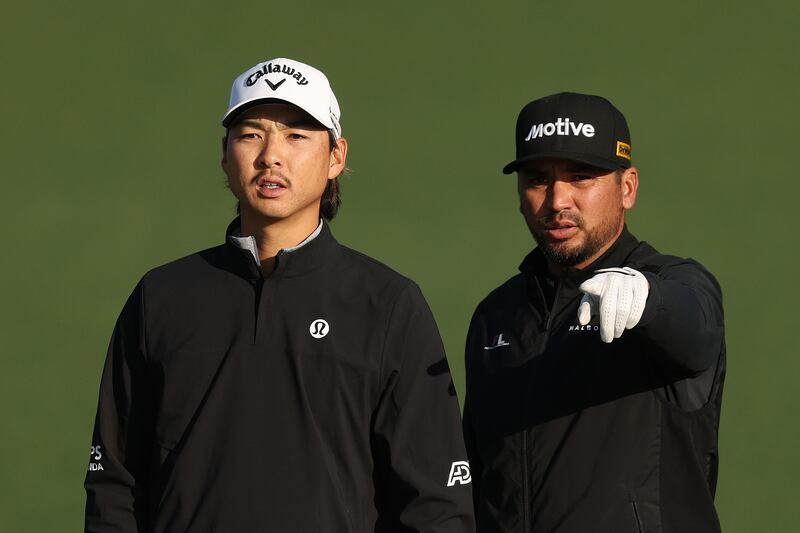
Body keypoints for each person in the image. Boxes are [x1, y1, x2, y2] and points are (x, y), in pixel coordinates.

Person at [85, 57, 475, 532]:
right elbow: (114, 487)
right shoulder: (161, 296)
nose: (271, 154)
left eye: (297, 135)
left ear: (336, 157)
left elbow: (434, 504)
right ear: (225, 154)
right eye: (251, 134)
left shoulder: (387, 303)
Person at [462, 92, 725, 532]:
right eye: (537, 179)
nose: (557, 200)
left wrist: (648, 301)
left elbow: (694, 328)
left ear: (627, 187)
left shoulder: (674, 284)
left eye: (581, 177)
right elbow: (477, 475)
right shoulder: (497, 315)